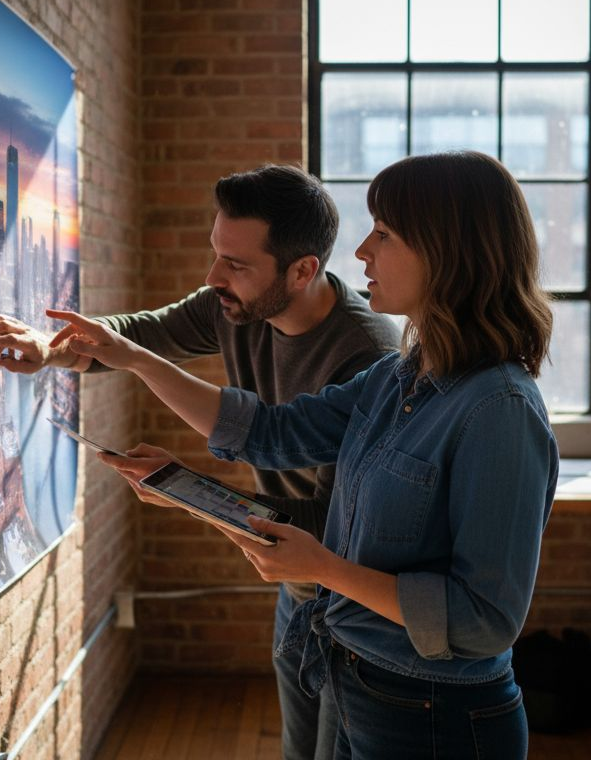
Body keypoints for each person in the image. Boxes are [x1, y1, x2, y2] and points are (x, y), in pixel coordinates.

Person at [50, 151, 558, 759]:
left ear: (449, 253)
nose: (364, 250)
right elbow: (271, 433)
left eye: (386, 233)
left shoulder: (500, 410)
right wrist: (132, 363)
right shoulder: (401, 377)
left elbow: (484, 621)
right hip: (351, 675)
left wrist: (325, 569)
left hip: (434, 715)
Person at [0, 164, 399, 760]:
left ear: (304, 269)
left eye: (236, 264)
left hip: (356, 610)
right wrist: (47, 350)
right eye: (215, 255)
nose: (213, 278)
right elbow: (142, 335)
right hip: (297, 597)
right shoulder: (232, 307)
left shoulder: (368, 357)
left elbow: (334, 532)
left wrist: (191, 493)